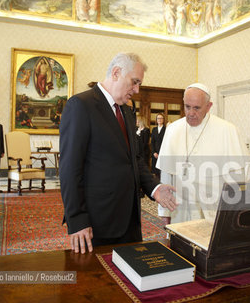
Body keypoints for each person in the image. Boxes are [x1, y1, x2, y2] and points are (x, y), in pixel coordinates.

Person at [59, 52, 177, 254]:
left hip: (129, 219)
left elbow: (135, 159)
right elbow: (70, 168)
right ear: (115, 73)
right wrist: (77, 219)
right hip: (97, 222)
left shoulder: (126, 111)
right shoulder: (81, 105)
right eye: (134, 82)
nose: (137, 90)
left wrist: (154, 188)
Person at [157, 83, 246, 225]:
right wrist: (164, 213)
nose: (191, 113)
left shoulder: (227, 130)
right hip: (181, 210)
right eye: (187, 107)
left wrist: (236, 213)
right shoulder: (173, 130)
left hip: (215, 210)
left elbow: (238, 179)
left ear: (209, 106)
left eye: (197, 108)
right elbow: (166, 176)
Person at [151, 113, 166, 178]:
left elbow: (166, 142)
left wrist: (162, 153)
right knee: (155, 172)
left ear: (163, 120)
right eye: (158, 118)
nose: (159, 119)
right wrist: (154, 152)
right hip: (155, 153)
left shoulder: (166, 129)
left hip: (163, 152)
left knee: (162, 171)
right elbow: (152, 142)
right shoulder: (154, 129)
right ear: (156, 120)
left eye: (161, 118)